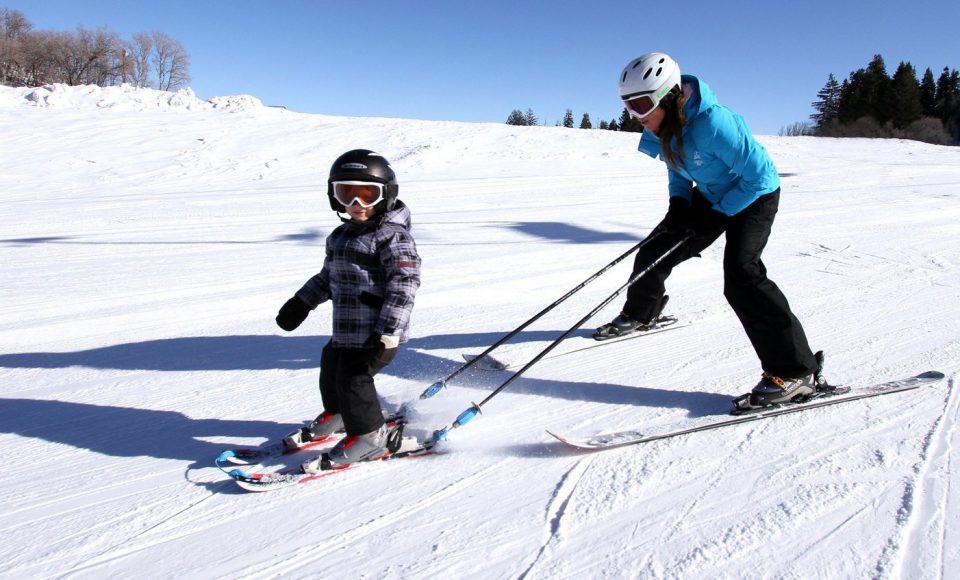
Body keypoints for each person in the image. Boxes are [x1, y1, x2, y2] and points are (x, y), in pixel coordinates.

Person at [597, 52, 826, 407]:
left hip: (754, 196)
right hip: (709, 196)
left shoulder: (715, 124)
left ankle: (796, 371)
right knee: (655, 250)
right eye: (629, 105)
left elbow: (761, 177)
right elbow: (676, 166)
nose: (636, 115)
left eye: (642, 104)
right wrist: (679, 203)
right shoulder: (663, 125)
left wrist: (718, 215)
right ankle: (642, 313)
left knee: (742, 276)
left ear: (669, 95)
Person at [274, 149, 421, 469]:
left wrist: (389, 330)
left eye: (367, 195)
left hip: (377, 333)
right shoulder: (341, 236)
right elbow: (329, 277)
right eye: (346, 194)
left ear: (386, 195)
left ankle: (369, 436)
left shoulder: (393, 237)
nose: (356, 206)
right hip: (346, 330)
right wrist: (302, 302)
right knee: (331, 365)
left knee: (354, 378)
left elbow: (404, 283)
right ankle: (340, 413)